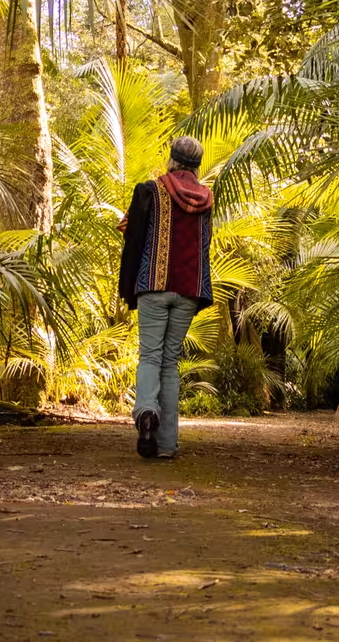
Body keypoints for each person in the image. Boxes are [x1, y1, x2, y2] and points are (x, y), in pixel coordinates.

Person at [117, 132, 214, 460]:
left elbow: (135, 235)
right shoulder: (206, 199)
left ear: (172, 159)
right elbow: (205, 245)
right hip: (188, 290)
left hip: (153, 287)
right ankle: (166, 445)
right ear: (197, 165)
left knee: (151, 356)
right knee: (170, 364)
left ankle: (145, 411)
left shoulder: (150, 191)